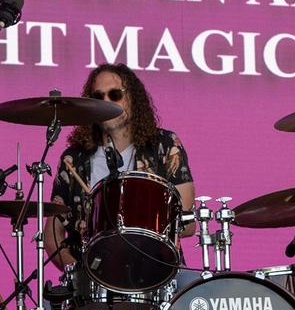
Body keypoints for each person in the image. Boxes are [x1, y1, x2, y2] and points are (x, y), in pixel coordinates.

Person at [44, 63, 195, 268]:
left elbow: (188, 223)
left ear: (133, 98)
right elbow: (52, 235)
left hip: (157, 276)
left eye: (115, 94)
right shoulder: (74, 159)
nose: (106, 102)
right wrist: (79, 275)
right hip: (94, 286)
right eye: (98, 97)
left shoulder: (165, 145)